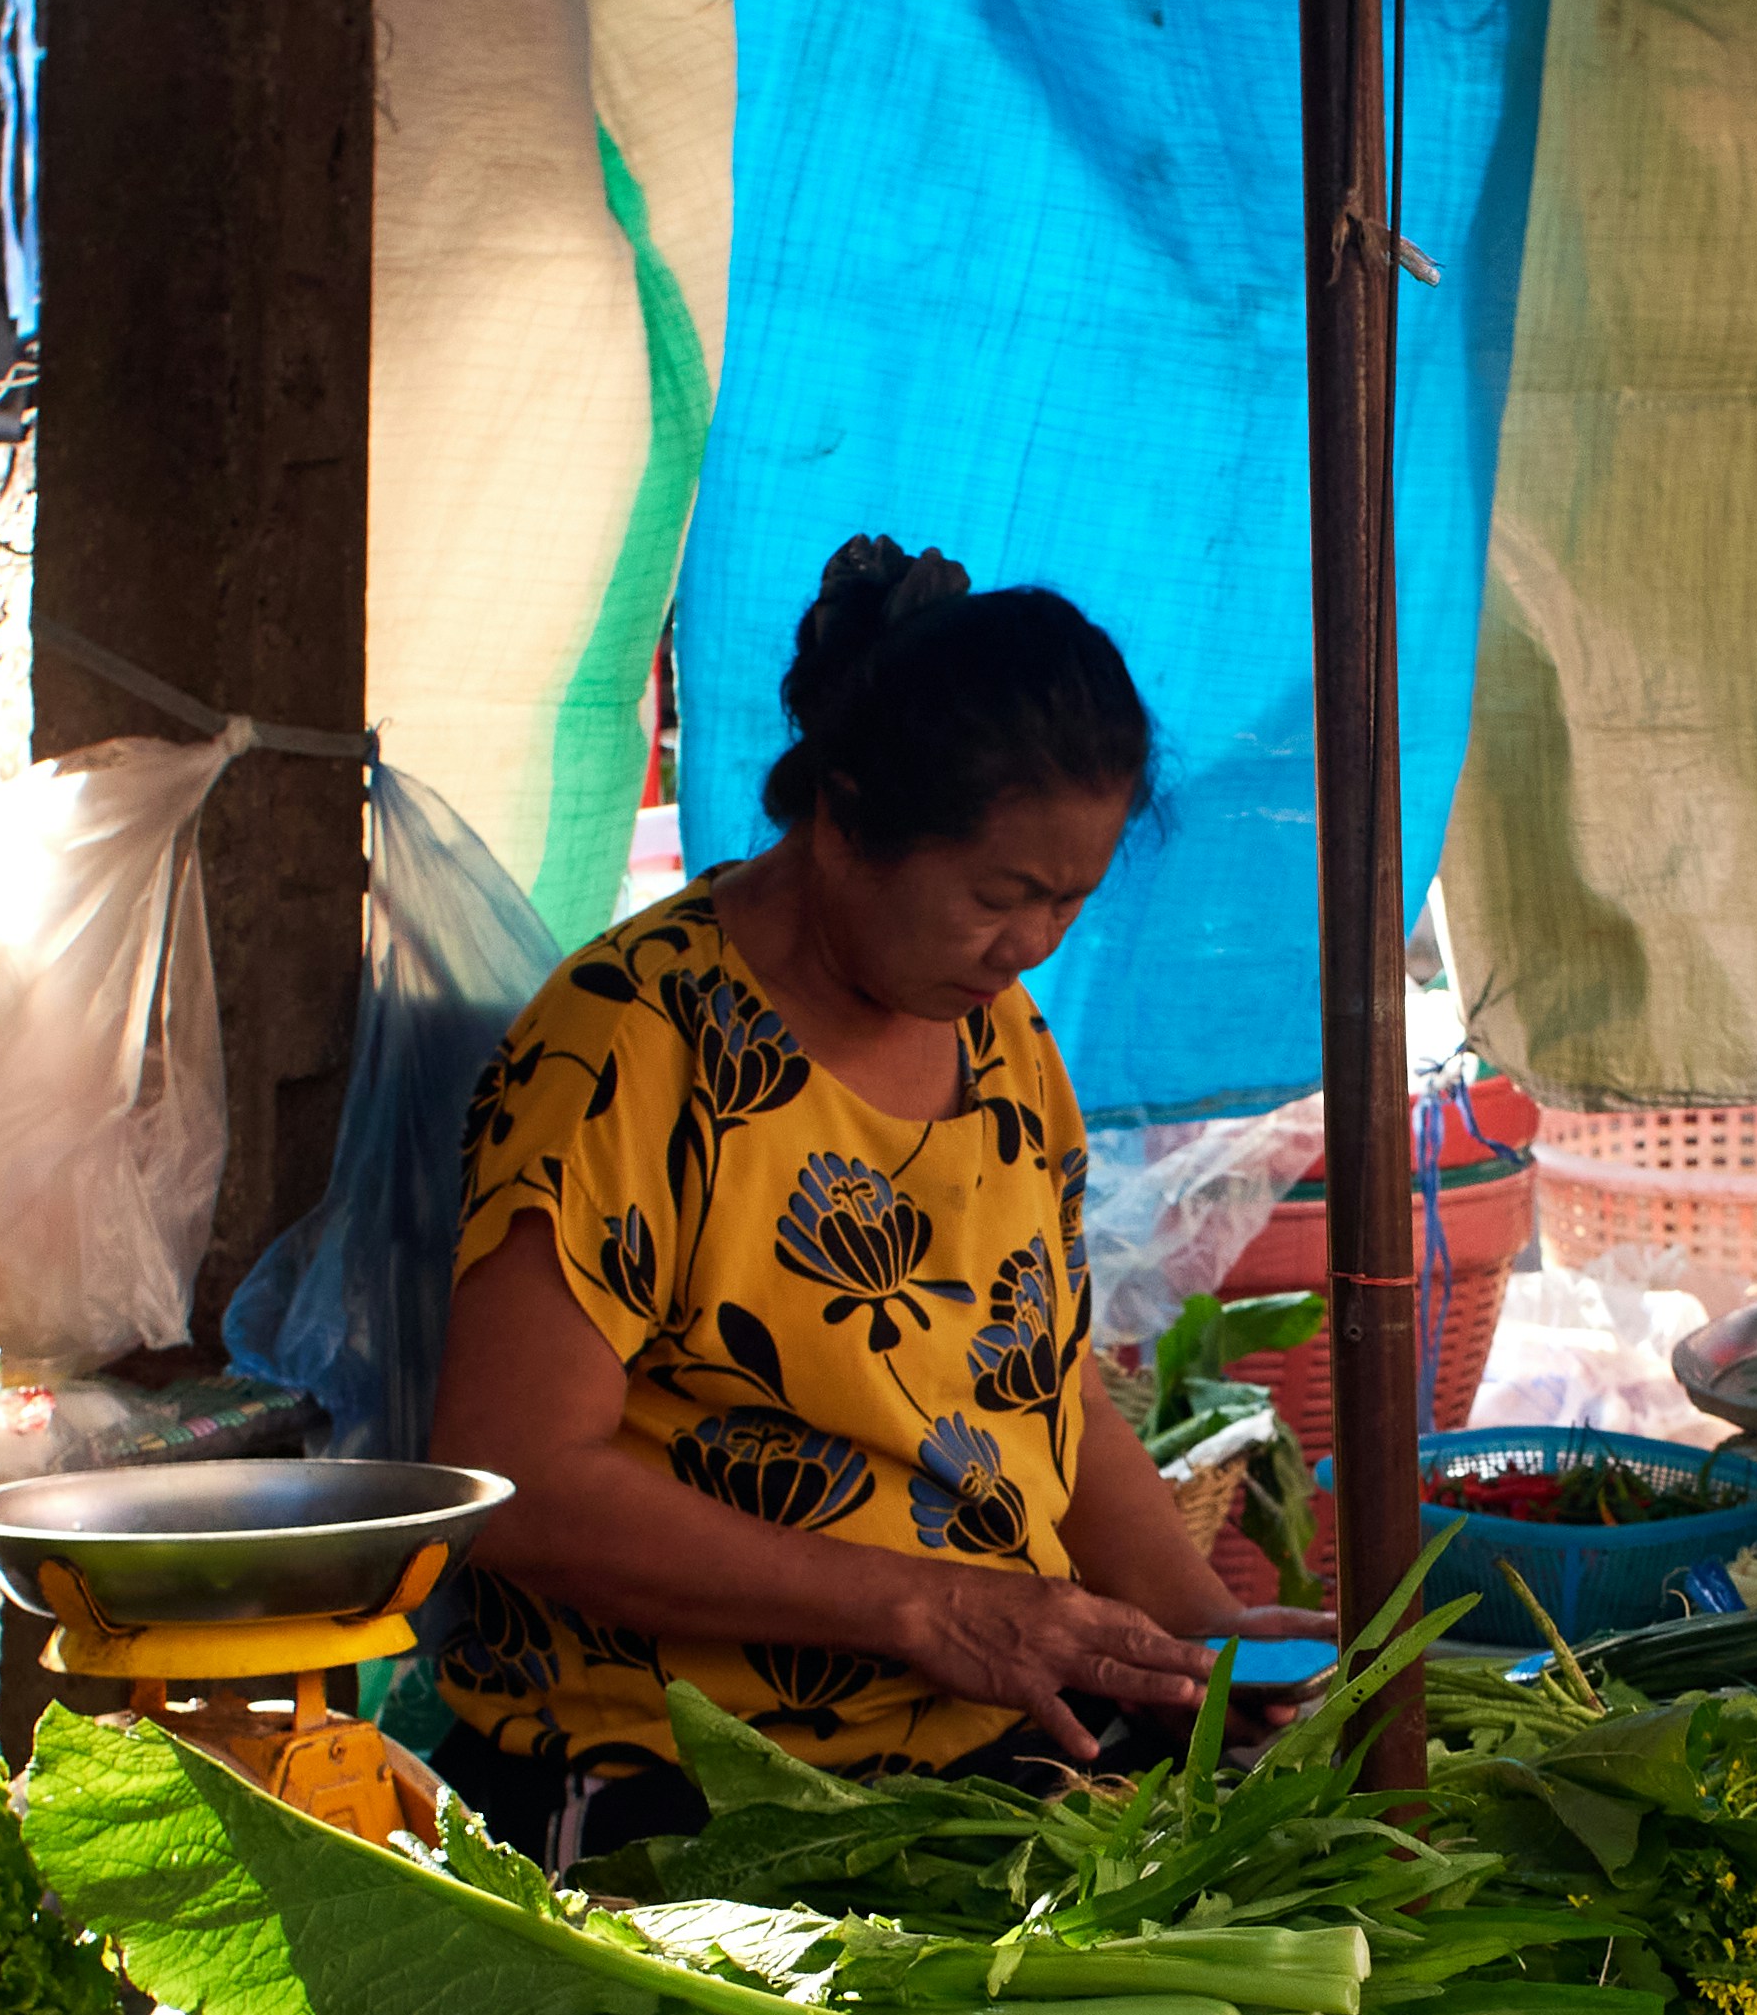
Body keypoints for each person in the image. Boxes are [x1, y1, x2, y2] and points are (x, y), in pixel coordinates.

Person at [422, 536, 1325, 1868]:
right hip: (699, 1792)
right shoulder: (630, 1047)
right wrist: (916, 1607)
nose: (1028, 946)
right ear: (841, 814)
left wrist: (1198, 1642)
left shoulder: (1000, 1039)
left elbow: (1049, 1398)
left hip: (975, 1742)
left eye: (1067, 901)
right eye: (997, 896)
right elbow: (511, 1479)